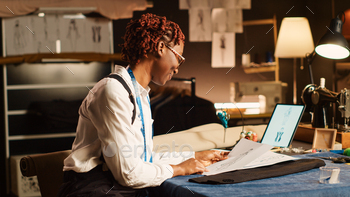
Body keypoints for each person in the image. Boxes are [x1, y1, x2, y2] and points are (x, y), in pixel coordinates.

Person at [57, 13, 227, 197]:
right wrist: (179, 169)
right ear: (161, 47)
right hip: (94, 189)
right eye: (179, 58)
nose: (178, 68)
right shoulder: (113, 91)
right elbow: (128, 173)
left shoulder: (139, 93)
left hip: (113, 185)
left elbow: (141, 158)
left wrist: (193, 157)